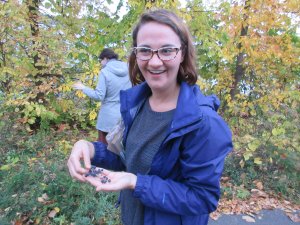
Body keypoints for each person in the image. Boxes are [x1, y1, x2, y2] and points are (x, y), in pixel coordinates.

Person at [67, 9, 233, 225]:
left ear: (182, 53)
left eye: (166, 50)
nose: (154, 62)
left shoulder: (202, 122)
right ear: (136, 54)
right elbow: (128, 159)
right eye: (145, 50)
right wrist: (89, 148)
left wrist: (137, 183)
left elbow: (202, 198)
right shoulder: (135, 104)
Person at [73, 48, 132, 144]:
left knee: (104, 148)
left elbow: (99, 96)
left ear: (105, 58)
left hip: (108, 119)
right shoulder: (129, 69)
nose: (101, 63)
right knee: (121, 149)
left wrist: (83, 88)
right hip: (125, 116)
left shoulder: (105, 72)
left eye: (101, 60)